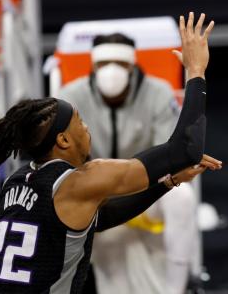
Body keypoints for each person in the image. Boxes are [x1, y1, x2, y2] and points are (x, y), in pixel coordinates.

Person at [0, 13, 222, 294]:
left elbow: (102, 218)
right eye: (80, 123)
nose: (87, 129)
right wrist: (196, 71)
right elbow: (185, 148)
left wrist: (168, 182)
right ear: (62, 140)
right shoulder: (80, 181)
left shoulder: (17, 180)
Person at [57, 32, 200, 294]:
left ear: (132, 65)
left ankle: (177, 288)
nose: (111, 71)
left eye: (120, 64)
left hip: (150, 190)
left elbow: (172, 155)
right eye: (103, 64)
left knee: (183, 198)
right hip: (99, 198)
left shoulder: (158, 93)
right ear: (93, 65)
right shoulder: (69, 98)